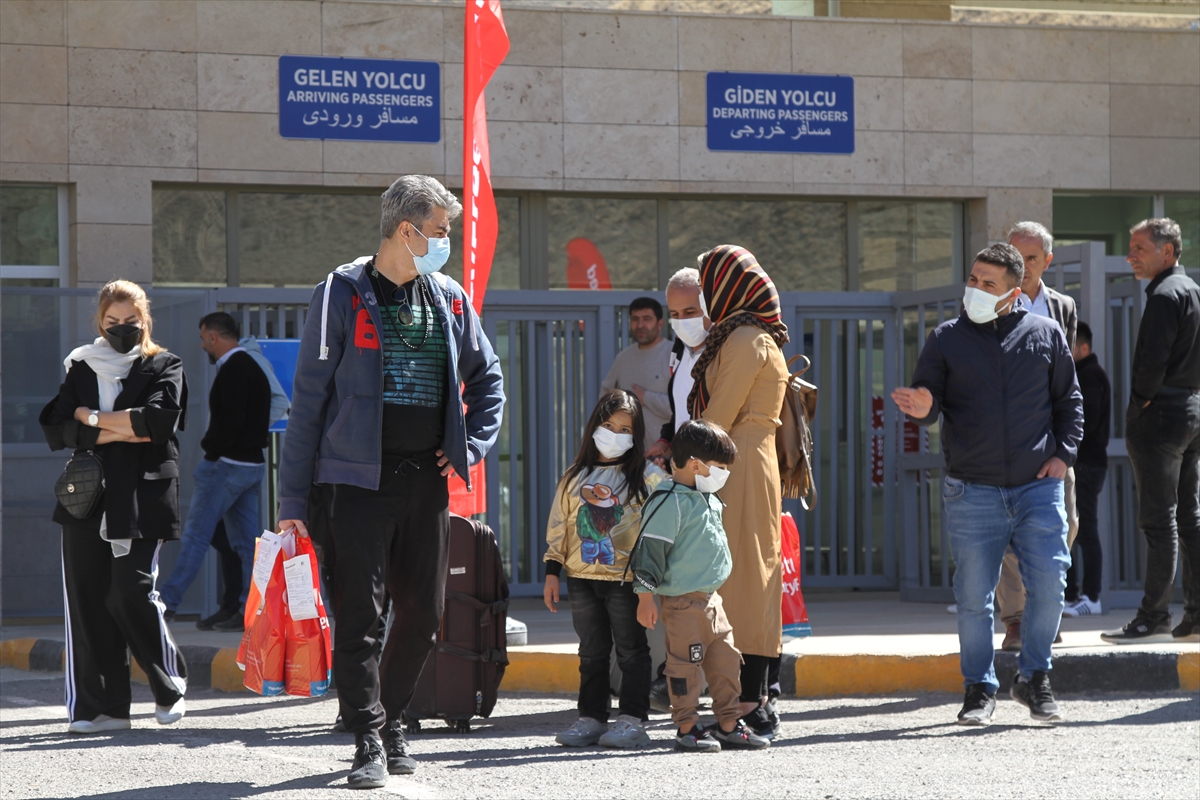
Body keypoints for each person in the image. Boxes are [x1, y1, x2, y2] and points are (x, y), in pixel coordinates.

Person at [276, 175, 504, 789]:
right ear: (406, 231)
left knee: (425, 613)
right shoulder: (341, 293)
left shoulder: (450, 298)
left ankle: (392, 714)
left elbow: (489, 381)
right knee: (359, 618)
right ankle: (370, 737)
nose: (445, 241)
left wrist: (468, 448)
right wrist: (293, 501)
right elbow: (309, 402)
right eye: (439, 230)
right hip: (353, 485)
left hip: (423, 483)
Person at [892, 243, 1082, 725]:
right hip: (971, 488)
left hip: (1037, 485)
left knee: (1051, 583)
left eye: (987, 283)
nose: (974, 289)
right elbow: (930, 398)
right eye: (973, 279)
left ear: (1013, 293)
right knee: (974, 596)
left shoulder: (1046, 333)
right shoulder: (946, 337)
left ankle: (1035, 677)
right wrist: (922, 408)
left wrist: (1063, 456)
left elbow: (1069, 402)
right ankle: (979, 688)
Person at [39, 279, 189, 734]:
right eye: (112, 322)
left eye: (131, 322)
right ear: (99, 322)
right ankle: (102, 707)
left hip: (142, 496)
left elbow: (158, 423)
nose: (121, 329)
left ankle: (170, 684)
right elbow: (55, 426)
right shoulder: (82, 365)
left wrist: (92, 418)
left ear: (145, 321)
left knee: (129, 591)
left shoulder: (165, 364)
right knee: (86, 600)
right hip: (87, 500)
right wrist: (120, 426)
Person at [689, 245, 790, 739]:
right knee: (755, 574)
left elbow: (718, 416)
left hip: (737, 463)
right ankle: (758, 697)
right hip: (750, 460)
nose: (706, 296)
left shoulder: (745, 337)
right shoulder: (751, 334)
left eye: (710, 285)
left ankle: (749, 701)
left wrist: (680, 465)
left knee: (745, 579)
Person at [632, 419, 771, 752]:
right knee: (685, 669)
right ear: (695, 464)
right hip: (682, 604)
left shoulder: (705, 495)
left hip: (713, 602)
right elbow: (650, 551)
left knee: (726, 663)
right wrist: (645, 597)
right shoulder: (669, 501)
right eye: (720, 466)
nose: (724, 473)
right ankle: (687, 727)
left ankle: (728, 722)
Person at [1102, 218, 1200, 644]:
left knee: (1159, 521)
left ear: (1168, 251)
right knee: (1189, 517)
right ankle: (1194, 617)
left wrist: (1138, 401)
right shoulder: (1192, 290)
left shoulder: (1163, 295)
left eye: (1139, 248)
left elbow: (1151, 363)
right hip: (1192, 411)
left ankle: (1152, 617)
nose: (1130, 256)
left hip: (1161, 414)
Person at [543, 390, 657, 749]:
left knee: (631, 650)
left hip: (626, 582)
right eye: (608, 425)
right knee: (591, 651)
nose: (614, 434)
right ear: (594, 426)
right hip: (580, 580)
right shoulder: (574, 476)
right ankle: (591, 718)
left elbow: (656, 534)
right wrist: (551, 571)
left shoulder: (647, 478)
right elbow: (559, 524)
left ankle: (632, 719)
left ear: (636, 436)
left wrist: (648, 587)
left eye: (624, 429)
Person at [994, 221, 1080, 652]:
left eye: (1031, 258)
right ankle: (1016, 620)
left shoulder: (1062, 307)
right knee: (1010, 535)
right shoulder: (989, 305)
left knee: (1065, 525)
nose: (1022, 266)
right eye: (1015, 256)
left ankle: (1046, 611)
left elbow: (1068, 382)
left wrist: (1066, 445)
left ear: (1047, 261)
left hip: (1053, 442)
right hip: (1008, 443)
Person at [159, 313, 271, 628]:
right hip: (252, 466)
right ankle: (254, 613)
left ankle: (166, 603)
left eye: (203, 337)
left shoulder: (233, 370)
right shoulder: (254, 368)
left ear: (213, 338)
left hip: (227, 467)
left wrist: (211, 451)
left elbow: (231, 421)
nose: (202, 345)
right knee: (249, 545)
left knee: (195, 536)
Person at [197, 334, 291, 632]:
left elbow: (280, 402)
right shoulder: (230, 364)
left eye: (204, 338)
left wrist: (249, 431)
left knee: (230, 537)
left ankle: (243, 607)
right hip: (227, 461)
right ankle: (234, 606)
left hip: (239, 462)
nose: (203, 345)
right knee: (222, 535)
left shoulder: (249, 361)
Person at [1064, 321, 1111, 617]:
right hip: (1084, 464)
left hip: (1086, 465)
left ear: (1083, 348)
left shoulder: (1090, 376)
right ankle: (1073, 595)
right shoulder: (1086, 374)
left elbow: (1086, 421)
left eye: (1071, 346)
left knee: (1085, 529)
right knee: (1073, 529)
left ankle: (1091, 597)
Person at [646, 268, 712, 464]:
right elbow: (681, 409)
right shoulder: (678, 350)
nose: (682, 321)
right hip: (684, 469)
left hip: (717, 470)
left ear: (709, 308)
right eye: (674, 313)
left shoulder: (727, 350)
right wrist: (667, 442)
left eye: (690, 312)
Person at [601, 297, 672, 450]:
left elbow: (685, 407)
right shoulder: (623, 358)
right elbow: (605, 397)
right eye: (635, 319)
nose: (640, 325)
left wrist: (645, 397)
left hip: (666, 454)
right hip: (628, 454)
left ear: (660, 324)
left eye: (647, 319)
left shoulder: (674, 356)